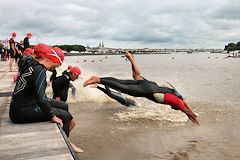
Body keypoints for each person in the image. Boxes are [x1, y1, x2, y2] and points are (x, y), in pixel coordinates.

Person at [84, 51, 199, 125]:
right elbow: (186, 109)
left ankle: (131, 59)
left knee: (134, 77)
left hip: (151, 84)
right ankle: (99, 80)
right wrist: (193, 118)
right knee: (122, 88)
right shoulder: (177, 103)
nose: (174, 109)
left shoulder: (176, 95)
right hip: (148, 91)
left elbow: (185, 103)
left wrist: (192, 112)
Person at [10, 44, 83, 152]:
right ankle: (67, 146)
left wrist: (19, 73)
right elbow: (41, 98)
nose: (56, 68)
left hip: (23, 104)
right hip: (21, 111)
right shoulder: (40, 71)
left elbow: (25, 61)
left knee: (64, 105)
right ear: (56, 61)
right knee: (65, 116)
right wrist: (52, 116)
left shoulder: (33, 64)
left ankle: (66, 134)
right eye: (57, 65)